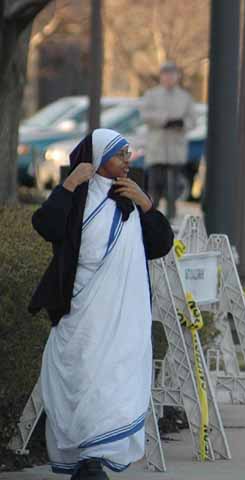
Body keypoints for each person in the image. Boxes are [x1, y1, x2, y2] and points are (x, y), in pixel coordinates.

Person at [28, 129, 174, 479]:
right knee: (80, 379)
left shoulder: (128, 197)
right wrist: (68, 185)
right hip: (81, 314)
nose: (128, 160)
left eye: (128, 153)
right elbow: (45, 225)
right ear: (97, 157)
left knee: (113, 380)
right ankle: (84, 458)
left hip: (122, 318)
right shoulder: (76, 197)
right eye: (119, 154)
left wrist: (146, 204)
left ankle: (95, 458)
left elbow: (161, 245)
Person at [139, 60, 196, 221]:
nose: (169, 78)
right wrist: (164, 120)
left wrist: (182, 123)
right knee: (155, 184)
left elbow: (193, 120)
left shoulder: (185, 97)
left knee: (174, 185)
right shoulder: (152, 95)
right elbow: (145, 115)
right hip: (157, 148)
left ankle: (171, 215)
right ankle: (151, 214)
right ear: (161, 77)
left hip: (176, 148)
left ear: (177, 77)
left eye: (172, 75)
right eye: (166, 75)